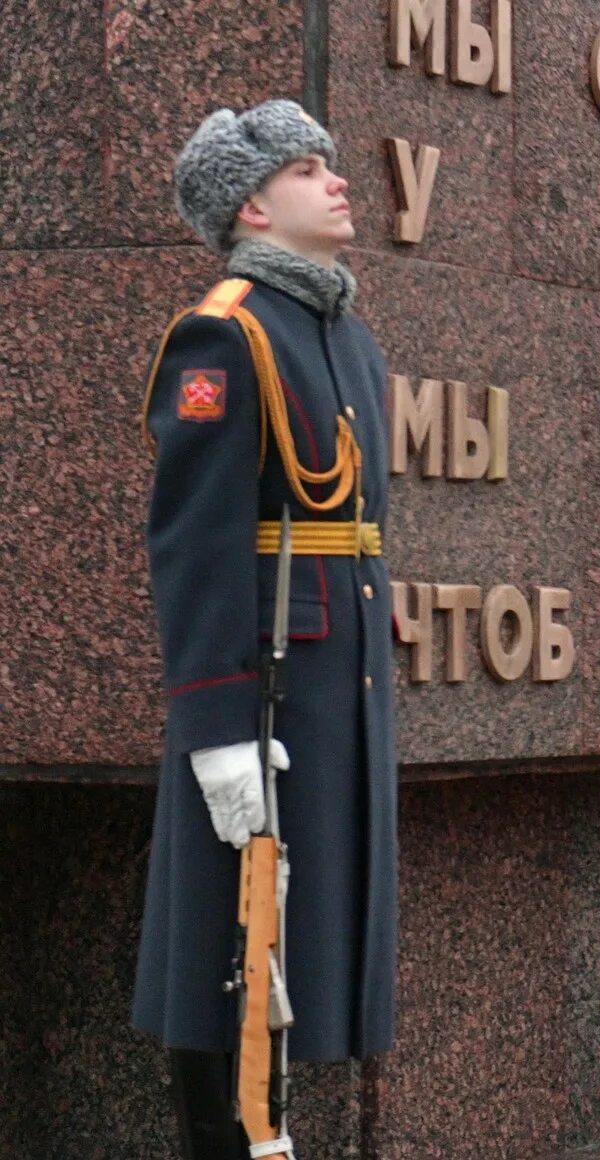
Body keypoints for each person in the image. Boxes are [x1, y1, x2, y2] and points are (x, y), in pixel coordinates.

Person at [133, 99, 398, 1158]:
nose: (336, 180)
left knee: (302, 966)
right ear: (253, 203)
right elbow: (193, 546)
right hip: (266, 697)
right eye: (306, 168)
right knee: (226, 956)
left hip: (340, 693)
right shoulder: (225, 333)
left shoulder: (346, 335)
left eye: (331, 165)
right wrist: (216, 729)